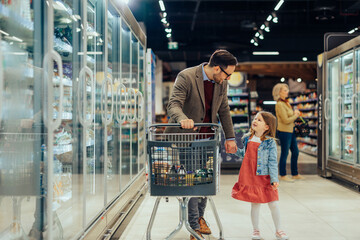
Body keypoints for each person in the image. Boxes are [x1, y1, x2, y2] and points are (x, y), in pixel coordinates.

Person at [166, 49, 238, 240]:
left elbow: (224, 110)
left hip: (208, 138)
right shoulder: (187, 76)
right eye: (227, 74)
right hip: (187, 138)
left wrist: (230, 138)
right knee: (192, 180)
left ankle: (199, 219)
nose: (228, 78)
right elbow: (173, 104)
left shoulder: (221, 83)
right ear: (216, 68)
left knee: (205, 179)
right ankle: (194, 224)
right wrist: (183, 119)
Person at [231, 111, 289, 240]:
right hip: (250, 175)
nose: (255, 121)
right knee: (255, 204)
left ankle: (279, 229)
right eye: (255, 118)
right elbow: (244, 154)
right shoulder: (247, 138)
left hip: (265, 177)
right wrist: (236, 151)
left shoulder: (270, 142)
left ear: (267, 127)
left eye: (259, 120)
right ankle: (256, 230)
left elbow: (273, 162)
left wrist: (274, 179)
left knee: (273, 203)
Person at [272, 83, 305, 182]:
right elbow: (286, 120)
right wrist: (295, 115)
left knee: (295, 152)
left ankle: (295, 173)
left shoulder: (286, 103)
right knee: (285, 153)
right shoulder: (279, 104)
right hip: (284, 131)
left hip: (290, 131)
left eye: (287, 90)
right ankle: (282, 174)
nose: (287, 92)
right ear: (279, 92)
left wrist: (294, 115)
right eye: (285, 90)